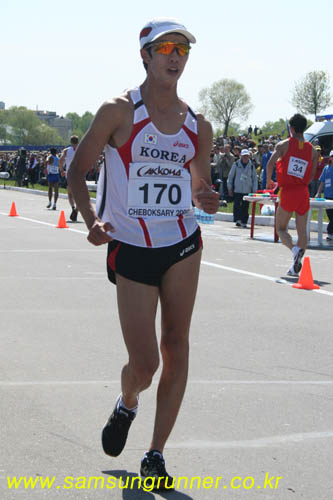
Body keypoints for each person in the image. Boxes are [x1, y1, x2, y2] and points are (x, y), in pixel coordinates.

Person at [67, 17, 219, 490]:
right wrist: (91, 219)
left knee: (177, 344)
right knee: (146, 365)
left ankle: (155, 454)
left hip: (182, 244)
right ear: (145, 56)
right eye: (166, 47)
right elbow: (77, 171)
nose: (176, 55)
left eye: (183, 49)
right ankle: (127, 402)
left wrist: (206, 197)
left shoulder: (199, 126)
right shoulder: (118, 111)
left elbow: (198, 188)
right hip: (131, 246)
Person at [266, 114, 318, 275]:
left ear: (292, 128)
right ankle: (296, 265)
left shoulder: (283, 145)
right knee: (302, 231)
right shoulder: (312, 150)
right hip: (303, 191)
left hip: (288, 191)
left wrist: (269, 180)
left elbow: (270, 163)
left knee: (280, 228)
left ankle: (294, 250)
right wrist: (302, 182)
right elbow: (312, 174)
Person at [227, 148, 258, 228]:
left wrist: (254, 191)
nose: (245, 158)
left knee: (245, 206)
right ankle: (237, 220)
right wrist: (229, 188)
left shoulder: (251, 166)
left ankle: (244, 221)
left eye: (247, 156)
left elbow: (254, 179)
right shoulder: (236, 164)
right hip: (237, 189)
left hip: (247, 190)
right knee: (237, 205)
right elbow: (231, 177)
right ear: (241, 156)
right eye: (244, 156)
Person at [59, 135, 79, 221]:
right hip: (79, 174)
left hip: (69, 174)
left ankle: (73, 207)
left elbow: (60, 161)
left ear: (70, 142)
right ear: (78, 142)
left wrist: (61, 171)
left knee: (70, 194)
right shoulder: (81, 149)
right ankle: (77, 210)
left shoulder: (66, 151)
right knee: (79, 195)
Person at [315, 150, 333, 241]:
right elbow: (322, 182)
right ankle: (330, 234)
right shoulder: (326, 168)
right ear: (330, 158)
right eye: (332, 156)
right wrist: (318, 192)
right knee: (331, 216)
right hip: (328, 196)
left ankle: (330, 233)